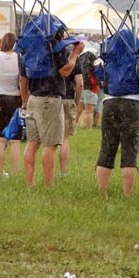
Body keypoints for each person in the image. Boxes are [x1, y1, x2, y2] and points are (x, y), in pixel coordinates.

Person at [95, 35, 139, 197]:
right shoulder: (137, 54)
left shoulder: (106, 54)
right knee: (130, 150)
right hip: (133, 103)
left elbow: (102, 82)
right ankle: (127, 195)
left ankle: (103, 193)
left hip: (110, 103)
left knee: (107, 148)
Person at [20, 33, 84, 187]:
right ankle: (48, 185)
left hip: (33, 99)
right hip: (50, 100)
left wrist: (24, 100)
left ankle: (30, 182)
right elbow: (65, 71)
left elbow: (23, 80)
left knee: (32, 143)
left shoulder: (31, 50)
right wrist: (75, 53)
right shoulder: (55, 49)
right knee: (50, 145)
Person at [0, 32, 22, 177]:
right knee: (15, 141)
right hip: (15, 99)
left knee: (0, 139)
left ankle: (0, 172)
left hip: (0, 99)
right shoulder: (19, 58)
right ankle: (15, 173)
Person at [59, 46, 83, 176]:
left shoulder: (53, 53)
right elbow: (80, 83)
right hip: (68, 98)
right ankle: (62, 172)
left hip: (51, 96)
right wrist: (77, 100)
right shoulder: (74, 57)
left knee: (48, 140)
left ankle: (47, 172)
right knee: (64, 138)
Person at [78, 51, 99, 128]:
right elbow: (96, 79)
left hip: (82, 89)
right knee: (89, 111)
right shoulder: (93, 67)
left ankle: (73, 126)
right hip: (91, 89)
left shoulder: (82, 65)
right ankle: (89, 128)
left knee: (78, 110)